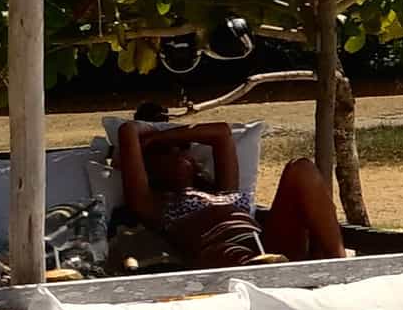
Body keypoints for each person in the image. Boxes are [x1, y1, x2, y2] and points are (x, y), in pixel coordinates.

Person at [114, 105, 344, 269]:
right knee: (223, 252)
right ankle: (262, 271)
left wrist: (160, 139)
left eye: (183, 147)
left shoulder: (222, 188)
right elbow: (128, 131)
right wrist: (153, 141)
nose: (179, 153)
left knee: (300, 168)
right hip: (218, 260)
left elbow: (222, 133)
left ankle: (340, 263)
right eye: (166, 152)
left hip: (268, 246)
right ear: (149, 167)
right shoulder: (154, 203)